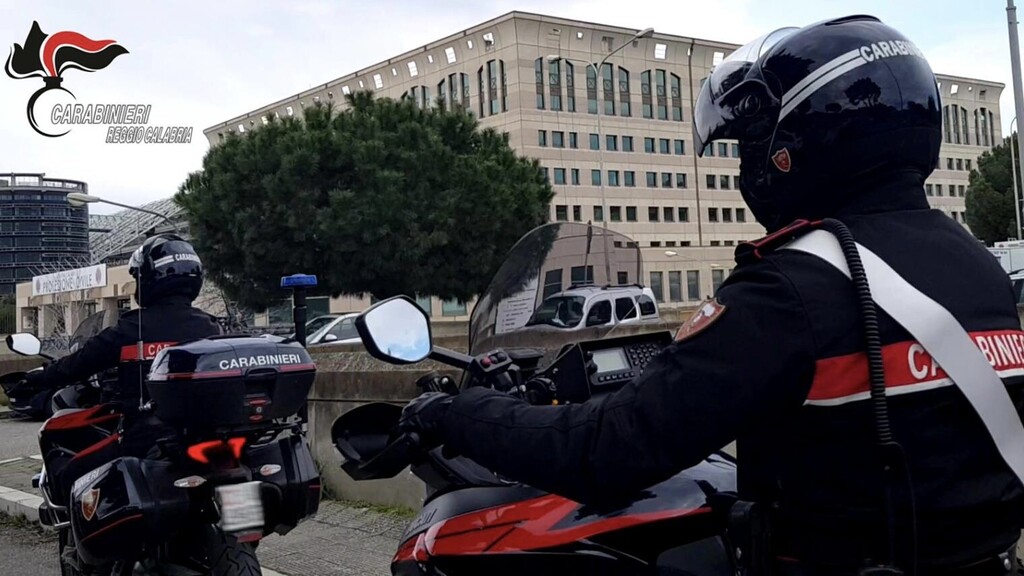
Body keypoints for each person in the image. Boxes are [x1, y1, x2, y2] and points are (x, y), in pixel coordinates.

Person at [396, 15, 1024, 575]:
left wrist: (457, 414)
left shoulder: (787, 290)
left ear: (796, 146)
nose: (749, 166)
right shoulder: (976, 265)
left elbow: (608, 450)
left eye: (753, 144)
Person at [18, 233, 221, 461]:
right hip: (205, 436)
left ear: (148, 278)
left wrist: (35, 378)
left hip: (148, 439)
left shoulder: (131, 329)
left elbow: (80, 362)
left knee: (70, 470)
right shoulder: (212, 327)